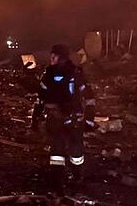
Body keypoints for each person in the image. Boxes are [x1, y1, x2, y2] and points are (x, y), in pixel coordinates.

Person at [31, 44, 96, 193]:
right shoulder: (60, 74)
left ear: (59, 57)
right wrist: (89, 121)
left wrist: (89, 119)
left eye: (53, 56)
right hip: (66, 121)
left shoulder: (59, 75)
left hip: (64, 120)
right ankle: (63, 181)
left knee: (67, 152)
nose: (51, 58)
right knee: (62, 152)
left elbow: (89, 97)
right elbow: (41, 99)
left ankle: (70, 179)